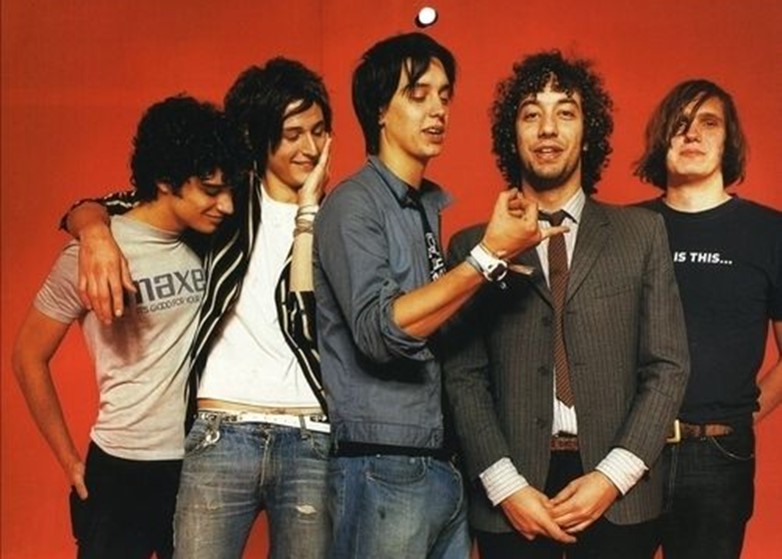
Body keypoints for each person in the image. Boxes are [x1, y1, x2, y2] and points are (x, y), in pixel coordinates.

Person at [62, 58, 334, 558]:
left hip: (310, 432)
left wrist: (310, 212)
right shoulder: (226, 207)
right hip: (221, 430)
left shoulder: (338, 217)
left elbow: (313, 313)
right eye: (293, 134)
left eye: (319, 132)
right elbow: (137, 202)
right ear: (258, 135)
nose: (311, 148)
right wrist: (92, 228)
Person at [313, 33, 564, 559]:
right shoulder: (353, 205)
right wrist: (487, 257)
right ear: (379, 110)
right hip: (381, 463)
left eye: (445, 96)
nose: (438, 110)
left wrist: (499, 271)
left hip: (442, 465)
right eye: (418, 94)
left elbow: (440, 335)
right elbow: (381, 332)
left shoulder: (423, 208)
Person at [442, 51, 690, 559]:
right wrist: (505, 486)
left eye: (566, 112)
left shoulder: (642, 234)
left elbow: (668, 366)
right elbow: (463, 376)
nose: (548, 129)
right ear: (512, 136)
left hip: (619, 495)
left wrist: (613, 475)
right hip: (512, 494)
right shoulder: (473, 246)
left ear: (588, 132)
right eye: (531, 114)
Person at [12, 95, 240, 559]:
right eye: (211, 190)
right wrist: (68, 459)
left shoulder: (212, 245)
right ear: (165, 181)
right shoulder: (90, 254)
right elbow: (27, 356)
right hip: (119, 467)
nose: (227, 205)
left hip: (198, 463)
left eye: (229, 189)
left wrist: (87, 220)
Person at [635, 79, 782, 559]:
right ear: (661, 139)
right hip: (628, 451)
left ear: (728, 141)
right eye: (679, 124)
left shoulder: (769, 232)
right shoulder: (624, 229)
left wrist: (737, 417)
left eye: (708, 122)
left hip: (720, 453)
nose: (691, 133)